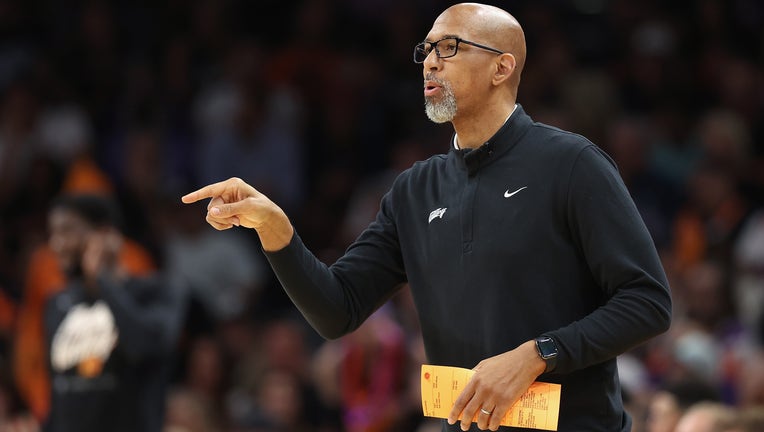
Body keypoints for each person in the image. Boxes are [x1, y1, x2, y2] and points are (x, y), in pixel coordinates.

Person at [182, 3, 672, 431]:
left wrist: (538, 354)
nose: (430, 62)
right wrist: (277, 231)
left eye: (451, 47)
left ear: (502, 67)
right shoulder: (416, 189)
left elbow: (647, 300)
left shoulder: (571, 164)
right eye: (426, 50)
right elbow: (337, 310)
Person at [43, 194, 185, 432]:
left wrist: (101, 279)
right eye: (53, 233)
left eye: (67, 231)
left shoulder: (158, 291)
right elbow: (59, 397)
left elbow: (145, 345)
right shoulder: (57, 304)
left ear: (105, 234)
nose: (56, 244)